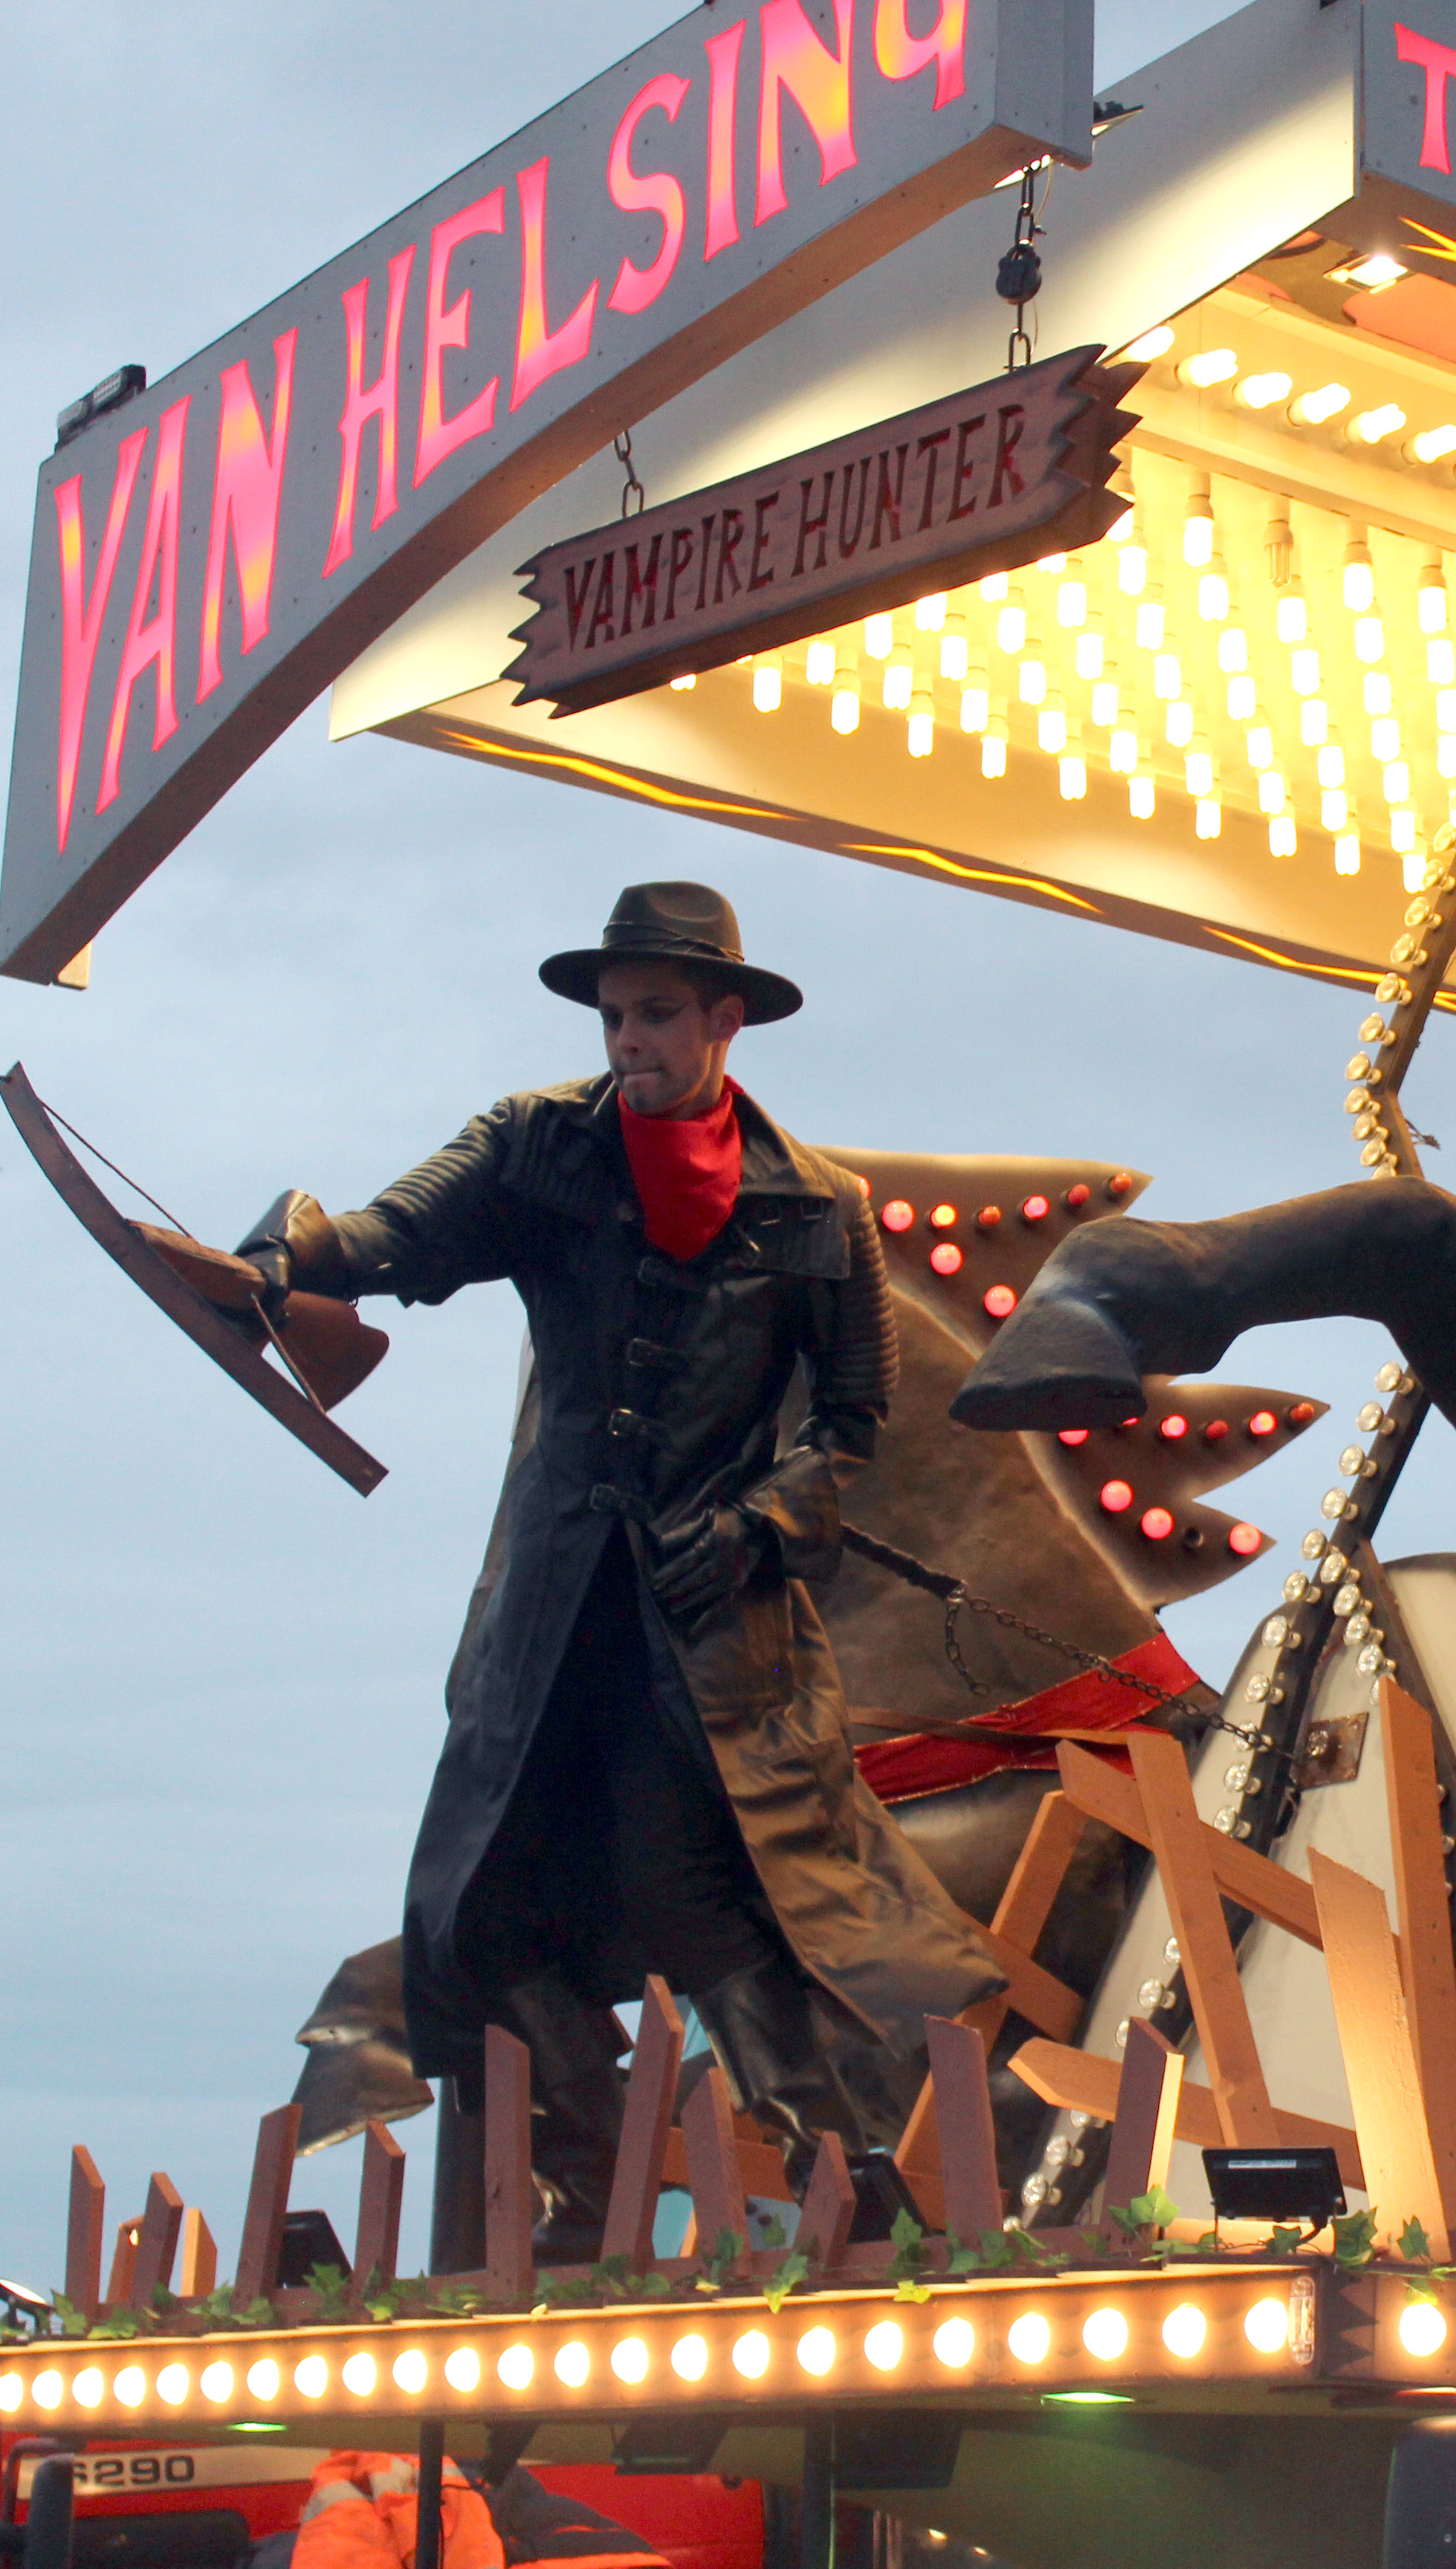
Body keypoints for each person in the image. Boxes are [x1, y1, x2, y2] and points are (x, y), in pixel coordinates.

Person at [246, 882, 1003, 2236]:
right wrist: (286, 1251)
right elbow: (395, 1238)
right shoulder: (538, 1144)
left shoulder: (819, 1208)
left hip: (707, 1625)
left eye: (656, 1014)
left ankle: (848, 2184)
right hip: (544, 1611)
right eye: (614, 1016)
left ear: (725, 1019)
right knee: (464, 1917)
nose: (628, 1041)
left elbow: (850, 1425)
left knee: (698, 1899)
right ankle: (588, 2180)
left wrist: (766, 1524)